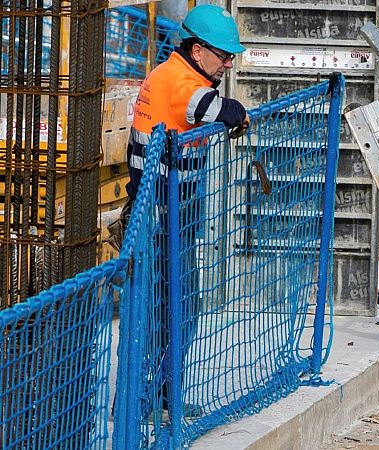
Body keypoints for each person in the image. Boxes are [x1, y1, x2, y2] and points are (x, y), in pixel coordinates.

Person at [109, 4, 250, 419]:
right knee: (175, 308)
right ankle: (145, 401)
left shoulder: (171, 72)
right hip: (162, 214)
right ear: (197, 50)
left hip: (163, 209)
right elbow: (218, 110)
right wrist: (238, 113)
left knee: (167, 307)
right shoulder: (182, 84)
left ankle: (150, 399)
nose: (228, 64)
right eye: (223, 55)